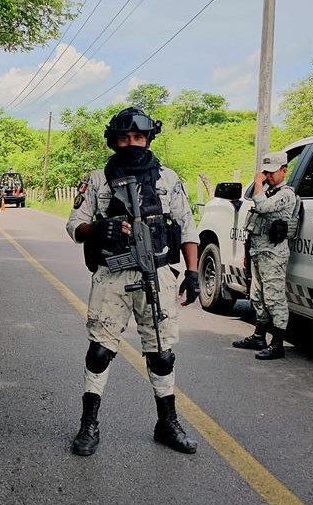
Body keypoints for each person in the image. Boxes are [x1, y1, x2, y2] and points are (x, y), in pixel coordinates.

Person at [66, 108, 201, 456]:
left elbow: (186, 226)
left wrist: (193, 272)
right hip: (113, 274)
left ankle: (167, 423)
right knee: (99, 352)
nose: (131, 144)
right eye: (124, 139)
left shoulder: (168, 179)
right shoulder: (97, 179)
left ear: (148, 139)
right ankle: (89, 425)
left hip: (157, 274)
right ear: (114, 141)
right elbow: (74, 225)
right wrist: (98, 228)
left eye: (138, 138)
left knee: (162, 355)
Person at [232, 152, 298, 360]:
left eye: (271, 172)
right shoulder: (270, 192)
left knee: (274, 298)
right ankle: (259, 336)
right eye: (265, 172)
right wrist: (247, 253)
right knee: (257, 296)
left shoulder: (285, 195)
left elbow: (261, 206)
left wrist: (257, 181)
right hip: (258, 252)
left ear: (283, 171)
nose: (267, 176)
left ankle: (277, 344)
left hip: (273, 255)